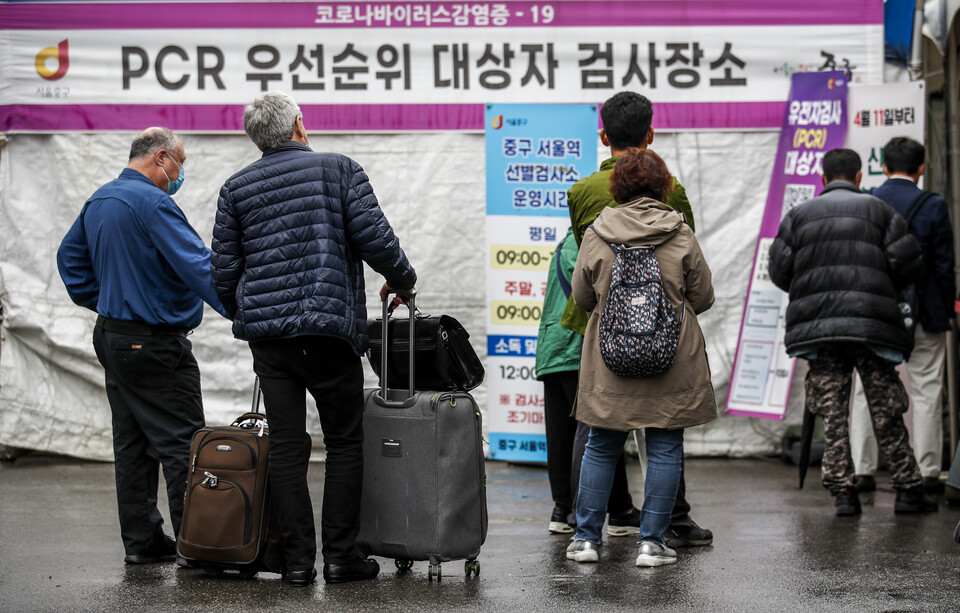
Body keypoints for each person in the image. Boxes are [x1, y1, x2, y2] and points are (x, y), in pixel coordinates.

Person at [211, 92, 416, 587]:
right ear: (300, 126)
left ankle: (298, 563)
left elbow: (222, 270)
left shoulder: (235, 187)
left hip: (272, 343)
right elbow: (374, 237)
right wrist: (402, 280)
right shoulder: (338, 169)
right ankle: (342, 559)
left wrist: (250, 314)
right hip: (328, 332)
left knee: (285, 446)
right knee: (344, 443)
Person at [56, 127, 228, 565]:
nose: (180, 172)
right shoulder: (154, 205)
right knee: (182, 444)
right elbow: (201, 268)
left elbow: (69, 260)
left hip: (113, 337)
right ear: (162, 158)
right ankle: (198, 546)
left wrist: (110, 301)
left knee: (131, 443)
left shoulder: (101, 199)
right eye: (180, 163)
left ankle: (143, 542)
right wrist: (246, 312)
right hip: (154, 345)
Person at [561, 90, 713, 548]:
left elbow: (584, 295)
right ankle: (654, 542)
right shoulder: (679, 227)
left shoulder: (595, 225)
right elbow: (701, 296)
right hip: (671, 353)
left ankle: (586, 539)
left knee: (601, 443)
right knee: (664, 444)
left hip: (610, 350)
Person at [768, 148, 935, 516]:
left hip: (821, 330)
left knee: (833, 412)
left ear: (823, 179)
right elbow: (907, 264)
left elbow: (780, 271)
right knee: (886, 408)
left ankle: (844, 494)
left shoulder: (798, 217)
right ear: (859, 177)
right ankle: (908, 489)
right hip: (872, 325)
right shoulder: (881, 211)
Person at [849, 137, 955, 496]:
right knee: (927, 390)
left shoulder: (868, 202)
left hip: (876, 314)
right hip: (925, 311)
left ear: (884, 167)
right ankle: (927, 471)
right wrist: (945, 310)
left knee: (866, 389)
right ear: (921, 168)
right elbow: (943, 265)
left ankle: (862, 470)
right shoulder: (933, 205)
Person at [536, 227, 639, 537]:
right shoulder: (589, 242)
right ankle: (582, 515)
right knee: (599, 431)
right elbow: (592, 293)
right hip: (576, 346)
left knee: (562, 434)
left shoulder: (567, 242)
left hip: (552, 347)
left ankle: (569, 509)